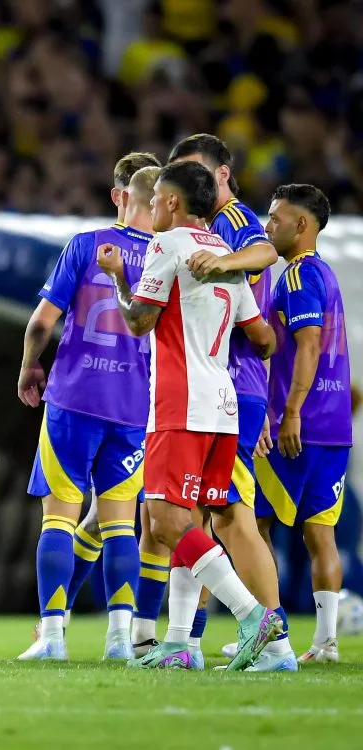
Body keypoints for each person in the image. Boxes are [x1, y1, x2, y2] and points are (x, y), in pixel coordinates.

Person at [98, 160, 280, 672]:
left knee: (164, 522)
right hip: (223, 407)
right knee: (192, 522)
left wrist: (118, 278)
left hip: (180, 404)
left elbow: (140, 321)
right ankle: (181, 644)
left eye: (156, 199)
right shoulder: (224, 253)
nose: (152, 207)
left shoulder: (168, 244)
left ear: (173, 202)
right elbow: (264, 340)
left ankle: (253, 615)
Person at [17, 160, 159, 661]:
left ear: (123, 196)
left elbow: (42, 322)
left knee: (59, 517)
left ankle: (53, 637)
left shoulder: (86, 244)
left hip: (74, 398)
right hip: (133, 405)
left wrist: (29, 366)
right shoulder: (167, 256)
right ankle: (120, 640)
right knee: (120, 525)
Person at [169, 134, 292, 669]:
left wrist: (220, 264)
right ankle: (186, 642)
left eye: (198, 171)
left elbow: (266, 251)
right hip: (227, 384)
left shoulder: (233, 218)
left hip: (230, 384)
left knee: (231, 519)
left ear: (222, 173)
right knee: (198, 516)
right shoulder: (203, 228)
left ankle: (275, 641)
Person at [256, 184, 351, 664]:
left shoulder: (296, 276)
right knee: (320, 535)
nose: (267, 226)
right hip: (334, 429)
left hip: (298, 426)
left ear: (302, 225)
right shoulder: (326, 274)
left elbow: (309, 345)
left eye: (276, 218)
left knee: (248, 522)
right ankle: (325, 643)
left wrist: (291, 410)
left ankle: (268, 635)